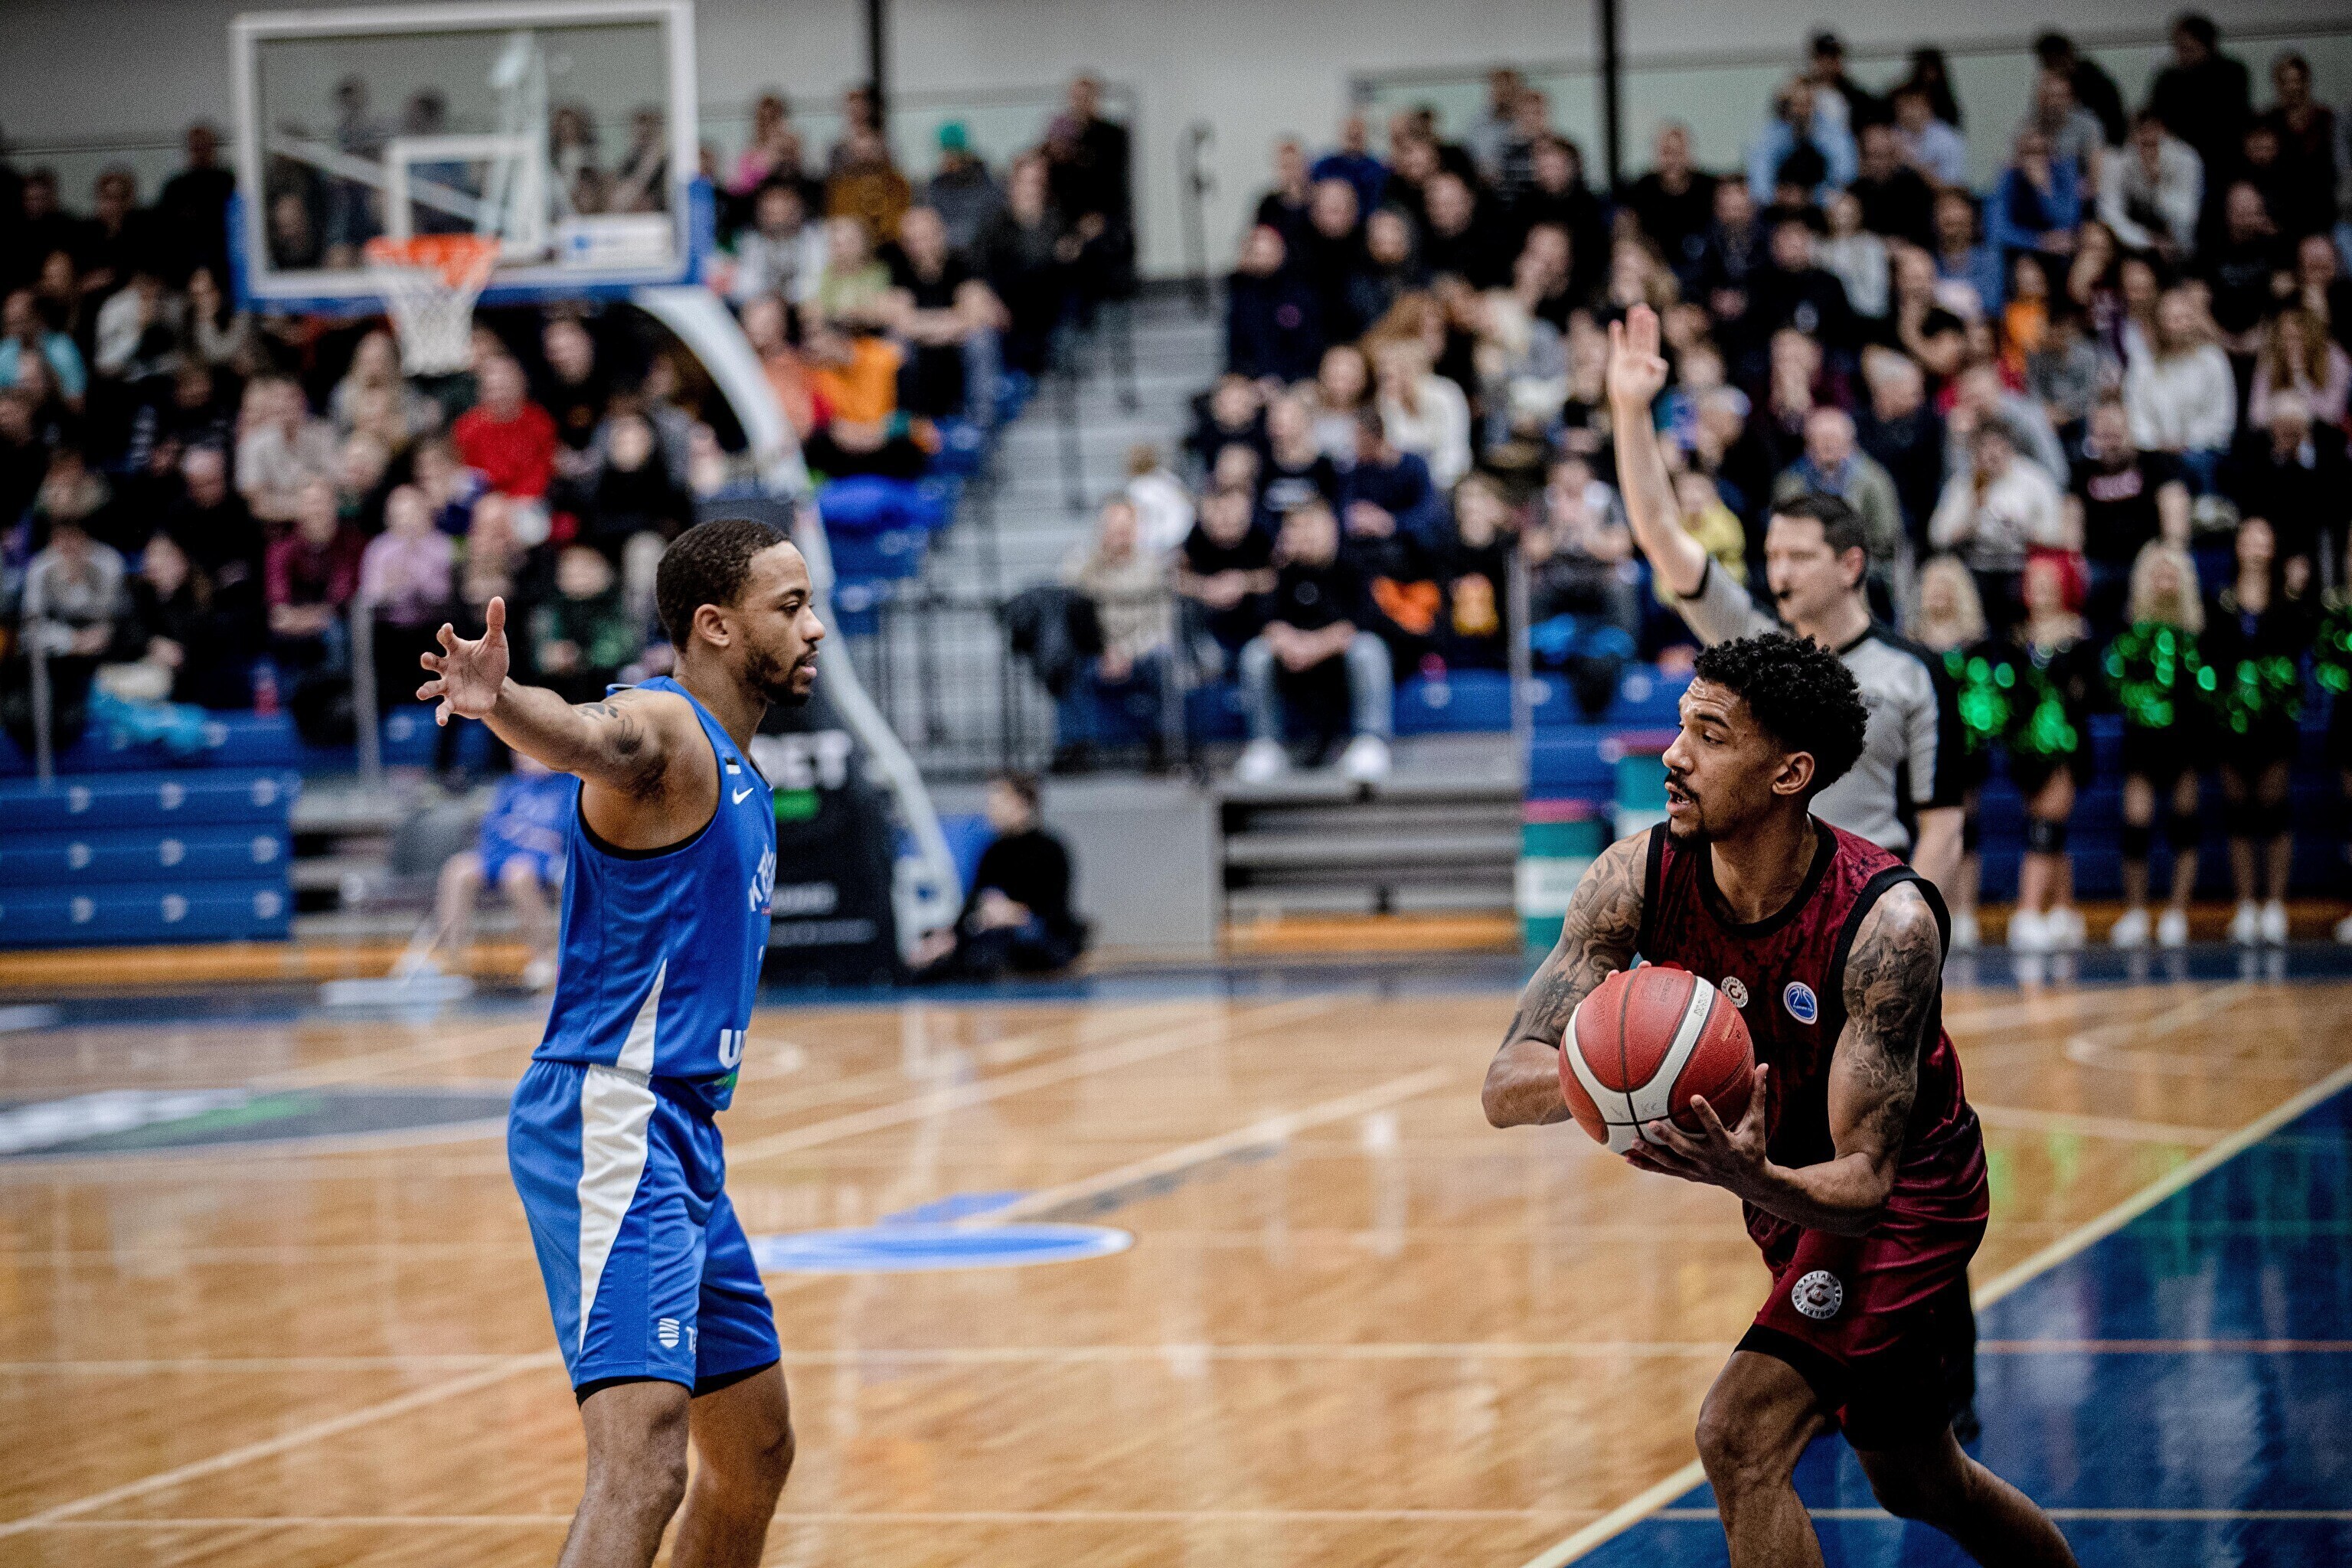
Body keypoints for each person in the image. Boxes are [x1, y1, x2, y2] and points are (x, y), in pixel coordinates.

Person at [1480, 632, 2079, 1568]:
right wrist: (1611, 1077)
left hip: (1907, 1198)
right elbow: (1506, 1081)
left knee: (1739, 1435)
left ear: (1790, 773)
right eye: (1683, 725)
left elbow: (1867, 1183)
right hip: (1783, 1185)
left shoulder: (1888, 922)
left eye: (1711, 736)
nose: (1674, 754)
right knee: (1919, 1480)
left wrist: (1749, 1173)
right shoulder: (1633, 877)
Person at [418, 517, 822, 1568]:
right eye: (790, 607)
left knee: (756, 1448)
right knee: (642, 1464)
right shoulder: (669, 728)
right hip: (614, 1114)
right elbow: (595, 738)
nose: (814, 627)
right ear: (716, 625)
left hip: (678, 1131)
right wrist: (502, 701)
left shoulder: (735, 763)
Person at [1609, 305, 1966, 903]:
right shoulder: (1753, 642)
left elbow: (1944, 826)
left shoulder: (1914, 670)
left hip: (1866, 902)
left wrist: (1908, 926)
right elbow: (1661, 534)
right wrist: (1630, 411)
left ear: (1850, 565)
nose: (1780, 572)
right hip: (1757, 911)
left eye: (1800, 557)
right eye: (1773, 556)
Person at [2202, 518, 2311, 947]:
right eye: (2247, 538)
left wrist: (2296, 594)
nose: (2254, 545)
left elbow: (2299, 645)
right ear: (2237, 546)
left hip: (2274, 722)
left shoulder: (2286, 601)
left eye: (2263, 538)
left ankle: (2275, 904)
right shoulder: (2222, 600)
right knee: (2238, 814)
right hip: (2232, 721)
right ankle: (2247, 904)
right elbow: (2211, 655)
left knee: (2274, 809)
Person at [1234, 498, 1392, 784]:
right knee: (1255, 654)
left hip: (1339, 667)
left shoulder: (1353, 567)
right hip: (1294, 667)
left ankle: (1370, 741)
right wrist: (1290, 643)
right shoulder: (1281, 573)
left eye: (1311, 526)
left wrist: (1314, 647)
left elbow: (1362, 622)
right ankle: (1266, 746)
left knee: (1369, 649)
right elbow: (1266, 621)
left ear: (1331, 528)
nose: (1304, 535)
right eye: (1296, 527)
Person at [2103, 542, 2210, 950]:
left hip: (2185, 736)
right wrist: (2144, 701)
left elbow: (2205, 686)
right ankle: (2136, 911)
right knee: (2136, 824)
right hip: (2143, 739)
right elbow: (2116, 682)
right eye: (2158, 573)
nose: (2165, 581)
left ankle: (2177, 911)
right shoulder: (2133, 634)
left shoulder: (2193, 634)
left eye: (2172, 574)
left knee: (2185, 822)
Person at [909, 773, 1086, 980]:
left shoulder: (1051, 851)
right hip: (992, 938)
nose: (991, 810)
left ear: (1022, 804)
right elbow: (973, 903)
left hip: (1037, 940)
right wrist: (947, 936)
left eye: (999, 803)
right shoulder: (993, 853)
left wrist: (1016, 913)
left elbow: (1054, 910)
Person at [435, 753, 573, 990]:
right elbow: (492, 830)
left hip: (547, 861)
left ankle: (542, 958)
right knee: (458, 869)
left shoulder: (568, 788)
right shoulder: (509, 787)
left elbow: (563, 836)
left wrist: (522, 834)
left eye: (530, 754)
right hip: (502, 856)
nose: (524, 759)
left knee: (518, 874)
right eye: (520, 754)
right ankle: (452, 959)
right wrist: (520, 837)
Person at [1928, 420, 2069, 636]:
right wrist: (1970, 520)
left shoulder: (2034, 481)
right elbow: (1938, 536)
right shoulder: (1964, 484)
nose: (1992, 455)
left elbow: (2056, 533)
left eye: (1997, 447)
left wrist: (2022, 529)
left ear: (2009, 448)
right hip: (1976, 568)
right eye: (1984, 448)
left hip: (2021, 567)